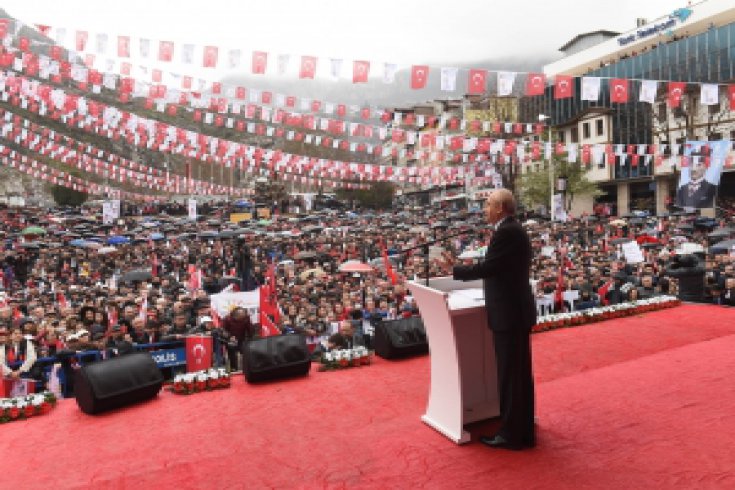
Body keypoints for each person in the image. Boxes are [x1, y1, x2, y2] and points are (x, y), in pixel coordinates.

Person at [452, 189, 536, 450]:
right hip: (515, 311)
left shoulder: (507, 232)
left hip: (509, 314)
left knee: (511, 376)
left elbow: (490, 268)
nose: (484, 209)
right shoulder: (511, 229)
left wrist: (456, 271)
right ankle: (523, 430)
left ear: (500, 207)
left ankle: (511, 434)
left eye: (487, 205)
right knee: (518, 375)